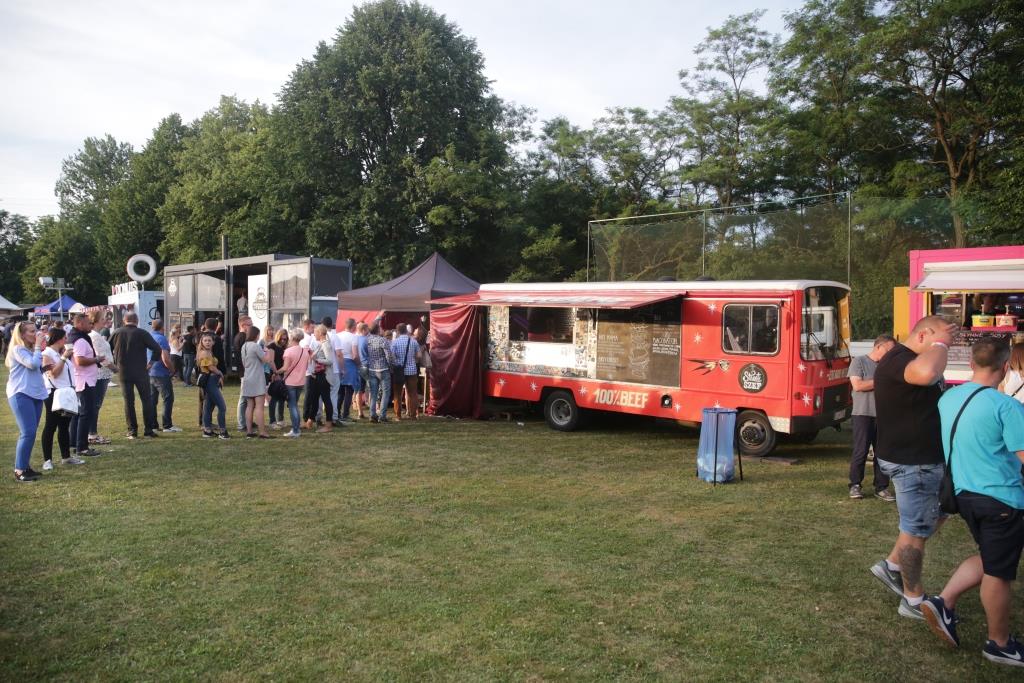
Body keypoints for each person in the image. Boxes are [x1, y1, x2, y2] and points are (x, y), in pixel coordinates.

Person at [921, 337, 1024, 667]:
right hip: (1002, 498)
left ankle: (944, 601)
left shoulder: (948, 398)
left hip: (963, 494)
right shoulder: (1006, 406)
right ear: (1005, 367)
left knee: (991, 556)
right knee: (999, 571)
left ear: (972, 363)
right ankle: (999, 642)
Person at [870, 315, 958, 619]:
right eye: (936, 343)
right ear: (923, 336)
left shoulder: (903, 360)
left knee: (937, 514)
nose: (941, 351)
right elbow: (927, 372)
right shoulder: (899, 359)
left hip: (921, 458)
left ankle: (892, 565)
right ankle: (912, 598)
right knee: (916, 530)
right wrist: (940, 343)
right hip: (913, 462)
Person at [848, 334, 897, 501]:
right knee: (861, 451)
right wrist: (882, 380)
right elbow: (858, 385)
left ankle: (881, 487)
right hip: (862, 414)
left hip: (884, 416)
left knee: (882, 453)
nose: (891, 353)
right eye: (889, 350)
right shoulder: (859, 361)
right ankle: (855, 485)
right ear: (878, 347)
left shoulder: (888, 366)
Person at [110, 312, 166, 439]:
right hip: (141, 371)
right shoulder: (142, 333)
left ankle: (132, 431)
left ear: (124, 320)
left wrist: (113, 363)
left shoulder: (117, 332)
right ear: (137, 320)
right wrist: (151, 362)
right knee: (146, 400)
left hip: (123, 371)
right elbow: (157, 349)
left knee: (128, 402)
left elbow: (107, 348)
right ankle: (148, 430)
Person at [6, 321, 47, 481]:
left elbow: (36, 367)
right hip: (20, 393)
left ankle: (25, 466)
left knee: (30, 433)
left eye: (35, 330)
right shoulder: (18, 349)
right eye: (31, 331)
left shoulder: (29, 350)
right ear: (22, 335)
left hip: (34, 394)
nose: (35, 333)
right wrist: (38, 346)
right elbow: (32, 364)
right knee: (27, 432)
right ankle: (19, 470)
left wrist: (45, 368)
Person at [40, 328, 85, 470]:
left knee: (64, 426)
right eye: (65, 338)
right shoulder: (47, 353)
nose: (67, 340)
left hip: (66, 393)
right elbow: (53, 374)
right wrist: (64, 357)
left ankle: (66, 457)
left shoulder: (58, 353)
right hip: (53, 394)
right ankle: (47, 460)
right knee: (51, 426)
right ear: (59, 339)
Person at [68, 313, 102, 457]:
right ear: (80, 324)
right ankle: (82, 447)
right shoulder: (80, 340)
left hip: (83, 380)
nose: (91, 325)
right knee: (85, 414)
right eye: (88, 323)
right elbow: (80, 361)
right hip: (84, 381)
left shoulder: (77, 337)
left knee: (79, 414)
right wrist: (96, 359)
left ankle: (74, 442)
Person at [88, 311, 116, 445]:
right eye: (104, 318)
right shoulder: (95, 336)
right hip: (100, 374)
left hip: (103, 373)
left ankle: (91, 433)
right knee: (95, 405)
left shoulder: (97, 335)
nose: (106, 319)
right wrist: (114, 368)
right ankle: (92, 434)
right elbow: (100, 356)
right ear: (97, 320)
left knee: (95, 405)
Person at [241, 326, 273, 438]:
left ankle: (249, 431)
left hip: (247, 377)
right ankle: (262, 432)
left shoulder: (244, 346)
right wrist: (268, 352)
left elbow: (244, 364)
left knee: (250, 406)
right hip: (257, 378)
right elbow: (267, 360)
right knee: (259, 406)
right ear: (256, 335)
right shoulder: (255, 346)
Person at [148, 319, 179, 433]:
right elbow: (165, 358)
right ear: (163, 327)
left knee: (152, 400)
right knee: (168, 398)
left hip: (150, 371)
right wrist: (172, 370)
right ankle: (167, 425)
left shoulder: (149, 336)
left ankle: (153, 425)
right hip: (161, 372)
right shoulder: (161, 338)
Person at [196, 332, 229, 439]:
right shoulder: (205, 353)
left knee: (208, 407)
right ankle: (223, 432)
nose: (207, 342)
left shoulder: (208, 352)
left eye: (209, 340)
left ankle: (207, 431)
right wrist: (220, 373)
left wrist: (218, 377)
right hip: (210, 382)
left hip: (212, 381)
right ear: (202, 342)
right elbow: (210, 367)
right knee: (222, 407)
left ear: (213, 342)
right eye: (205, 340)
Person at [278, 328, 310, 438]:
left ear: (291, 337)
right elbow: (306, 366)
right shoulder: (304, 351)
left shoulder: (289, 351)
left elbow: (285, 367)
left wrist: (276, 372)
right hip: (301, 381)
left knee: (292, 406)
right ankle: (296, 429)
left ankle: (296, 430)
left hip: (290, 381)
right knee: (294, 405)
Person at [303, 324, 334, 433]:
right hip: (317, 375)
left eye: (315, 332)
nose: (313, 334)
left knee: (326, 399)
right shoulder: (321, 344)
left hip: (324, 376)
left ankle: (328, 425)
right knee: (314, 398)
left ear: (320, 333)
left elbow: (330, 361)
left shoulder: (325, 344)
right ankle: (310, 421)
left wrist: (317, 359)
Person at [391, 324, 420, 420]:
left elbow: (392, 356)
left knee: (397, 393)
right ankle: (413, 415)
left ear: (398, 331)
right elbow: (419, 356)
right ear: (406, 331)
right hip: (412, 370)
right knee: (412, 393)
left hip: (399, 370)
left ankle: (398, 416)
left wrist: (397, 361)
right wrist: (412, 359)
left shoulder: (394, 342)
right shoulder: (413, 341)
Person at [364, 323, 393, 423]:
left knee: (373, 393)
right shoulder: (382, 340)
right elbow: (388, 355)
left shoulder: (367, 340)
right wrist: (390, 366)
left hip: (372, 369)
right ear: (377, 330)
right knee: (386, 393)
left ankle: (372, 415)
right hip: (383, 368)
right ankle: (382, 415)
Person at [336, 317, 359, 422]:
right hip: (350, 363)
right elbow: (355, 355)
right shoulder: (354, 337)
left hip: (339, 363)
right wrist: (359, 364)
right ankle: (345, 414)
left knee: (340, 391)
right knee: (349, 391)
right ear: (353, 326)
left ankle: (337, 413)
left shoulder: (338, 335)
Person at [233, 315, 253, 432]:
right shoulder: (241, 337)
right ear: (243, 325)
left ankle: (246, 420)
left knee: (247, 398)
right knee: (244, 398)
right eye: (249, 324)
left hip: (246, 371)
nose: (251, 326)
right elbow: (243, 357)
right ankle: (241, 423)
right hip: (245, 372)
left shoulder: (241, 337)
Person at [266, 328, 288, 429]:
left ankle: (280, 419)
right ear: (278, 338)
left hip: (282, 374)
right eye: (282, 339)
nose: (283, 341)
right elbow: (271, 361)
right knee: (274, 398)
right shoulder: (272, 346)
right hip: (274, 374)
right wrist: (276, 373)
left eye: (285, 339)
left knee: (282, 398)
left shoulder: (285, 347)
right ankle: (272, 421)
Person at [355, 322, 370, 419]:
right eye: (367, 330)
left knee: (358, 391)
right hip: (367, 365)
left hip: (358, 366)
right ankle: (373, 410)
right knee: (373, 389)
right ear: (364, 330)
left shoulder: (355, 340)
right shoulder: (367, 340)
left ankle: (360, 412)